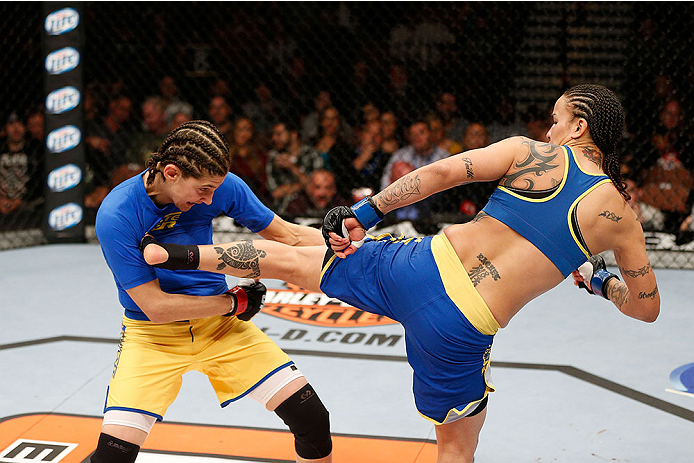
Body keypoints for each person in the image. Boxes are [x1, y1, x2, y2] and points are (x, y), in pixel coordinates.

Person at [141, 85, 660, 463]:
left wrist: (362, 214)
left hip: (421, 268)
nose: (549, 129)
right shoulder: (621, 218)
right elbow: (647, 309)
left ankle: (176, 254)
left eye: (556, 119)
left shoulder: (531, 152)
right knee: (456, 449)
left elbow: (437, 174)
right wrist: (601, 282)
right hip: (462, 328)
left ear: (579, 126)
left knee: (295, 261)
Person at [91, 120, 333, 463]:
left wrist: (365, 246)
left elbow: (289, 236)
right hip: (153, 336)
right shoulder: (117, 214)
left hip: (220, 328)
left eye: (214, 189)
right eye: (203, 189)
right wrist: (232, 302)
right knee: (112, 457)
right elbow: (155, 307)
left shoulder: (221, 187)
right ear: (171, 172)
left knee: (313, 420)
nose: (209, 198)